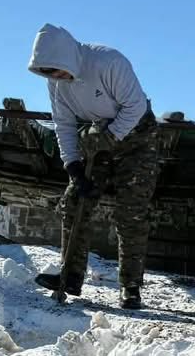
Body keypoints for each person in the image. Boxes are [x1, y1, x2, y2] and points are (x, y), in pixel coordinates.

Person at [27, 23, 161, 310]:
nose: (57, 77)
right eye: (50, 74)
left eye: (58, 70)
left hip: (138, 138)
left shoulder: (108, 62)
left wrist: (111, 137)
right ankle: (70, 276)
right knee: (74, 202)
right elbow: (64, 124)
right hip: (99, 139)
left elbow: (136, 106)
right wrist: (73, 166)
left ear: (66, 57)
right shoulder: (56, 83)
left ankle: (130, 287)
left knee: (131, 212)